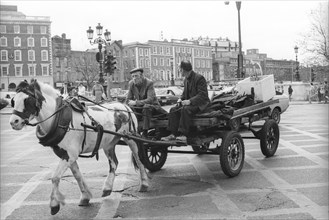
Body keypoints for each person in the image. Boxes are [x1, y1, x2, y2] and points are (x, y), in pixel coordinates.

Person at [161, 60, 210, 142]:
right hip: (190, 105)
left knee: (185, 109)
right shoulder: (186, 80)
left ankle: (183, 134)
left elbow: (203, 95)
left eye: (180, 69)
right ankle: (173, 134)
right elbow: (184, 94)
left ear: (183, 69)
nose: (179, 71)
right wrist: (181, 99)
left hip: (200, 105)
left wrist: (190, 101)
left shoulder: (199, 78)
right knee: (173, 110)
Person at [126, 67, 167, 137]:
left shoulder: (149, 83)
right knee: (129, 108)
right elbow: (128, 99)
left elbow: (150, 100)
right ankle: (134, 129)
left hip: (153, 107)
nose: (134, 78)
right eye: (133, 76)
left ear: (141, 76)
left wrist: (136, 103)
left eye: (136, 76)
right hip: (140, 108)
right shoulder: (131, 84)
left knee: (146, 107)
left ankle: (145, 132)